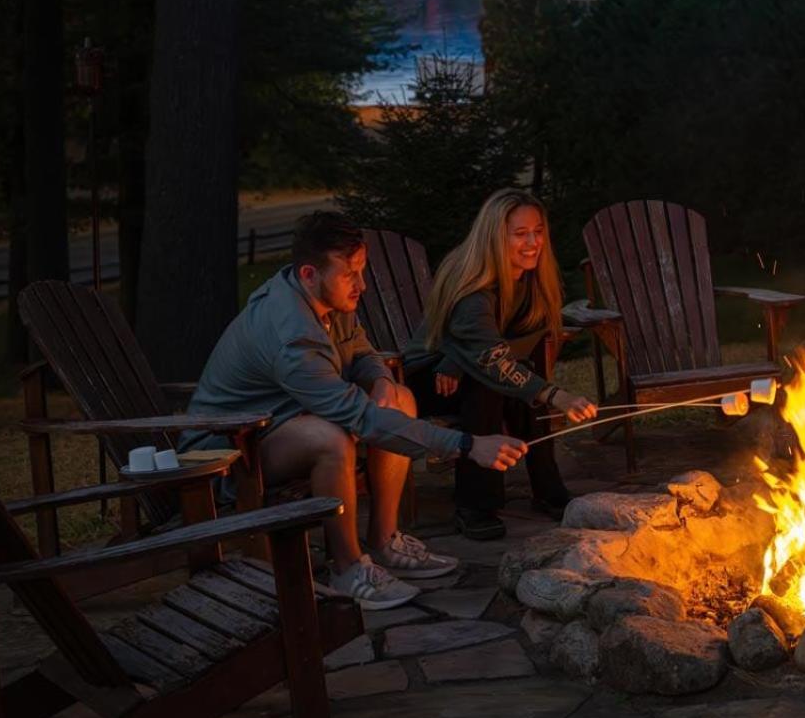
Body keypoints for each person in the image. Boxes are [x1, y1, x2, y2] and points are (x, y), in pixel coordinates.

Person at [181, 211, 528, 610]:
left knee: (400, 398)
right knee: (330, 439)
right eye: (351, 275)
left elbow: (361, 351)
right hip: (224, 456)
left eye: (362, 271)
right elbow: (360, 419)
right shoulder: (292, 337)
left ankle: (384, 541)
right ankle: (346, 567)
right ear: (310, 273)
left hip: (275, 427)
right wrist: (467, 445)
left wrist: (380, 378)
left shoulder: (323, 297)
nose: (361, 285)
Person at [406, 189, 598, 540]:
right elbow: (490, 358)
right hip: (428, 376)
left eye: (538, 231)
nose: (532, 242)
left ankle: (549, 491)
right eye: (520, 233)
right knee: (490, 385)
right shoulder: (471, 287)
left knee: (515, 381)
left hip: (467, 364)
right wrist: (557, 396)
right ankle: (475, 503)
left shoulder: (532, 279)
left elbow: (513, 343)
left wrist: (463, 360)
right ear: (495, 235)